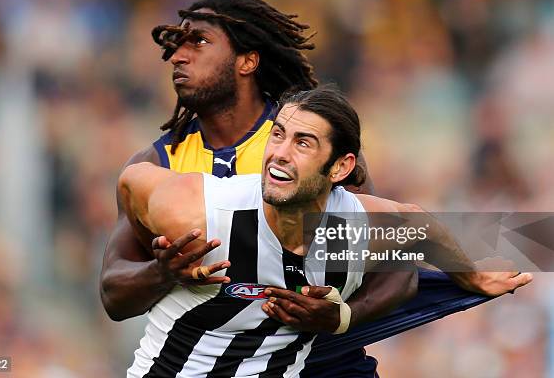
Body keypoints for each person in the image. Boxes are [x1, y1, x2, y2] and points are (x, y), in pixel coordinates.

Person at [100, 0, 417, 376]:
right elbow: (113, 296)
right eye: (177, 45)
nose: (178, 57)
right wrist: (162, 273)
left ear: (248, 60)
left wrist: (341, 316)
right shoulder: (157, 166)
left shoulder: (309, 148)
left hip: (325, 364)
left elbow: (399, 267)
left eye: (198, 41)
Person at [118, 86, 531, 377]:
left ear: (340, 168)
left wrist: (472, 277)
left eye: (303, 143)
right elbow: (132, 181)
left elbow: (420, 228)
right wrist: (162, 266)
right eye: (277, 134)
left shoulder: (346, 231)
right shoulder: (205, 213)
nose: (279, 152)